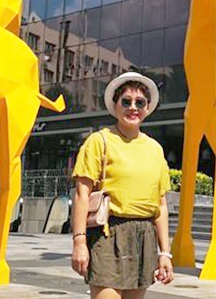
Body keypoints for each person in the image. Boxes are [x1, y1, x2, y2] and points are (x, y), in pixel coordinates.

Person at [70, 71, 173, 298]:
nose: (133, 107)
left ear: (147, 108)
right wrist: (79, 242)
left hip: (143, 235)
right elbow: (81, 195)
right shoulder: (99, 141)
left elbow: (161, 205)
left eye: (140, 102)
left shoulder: (155, 149)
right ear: (115, 105)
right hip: (108, 234)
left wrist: (165, 253)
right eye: (126, 101)